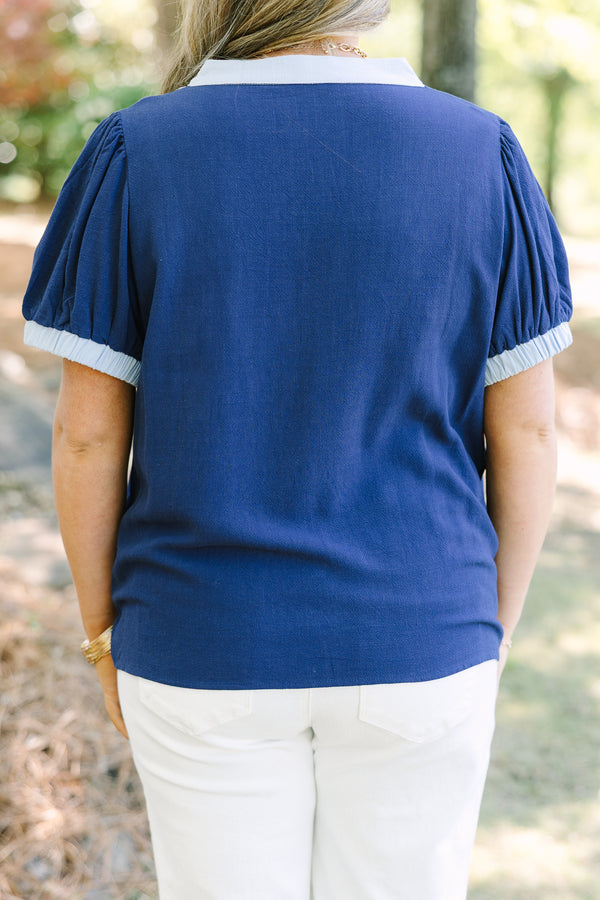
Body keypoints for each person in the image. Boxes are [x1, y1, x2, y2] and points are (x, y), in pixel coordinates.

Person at [23, 1, 573, 897]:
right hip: (425, 630)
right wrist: (488, 630)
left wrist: (100, 638)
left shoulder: (137, 148)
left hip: (200, 636)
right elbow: (531, 431)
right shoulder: (484, 153)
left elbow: (87, 433)